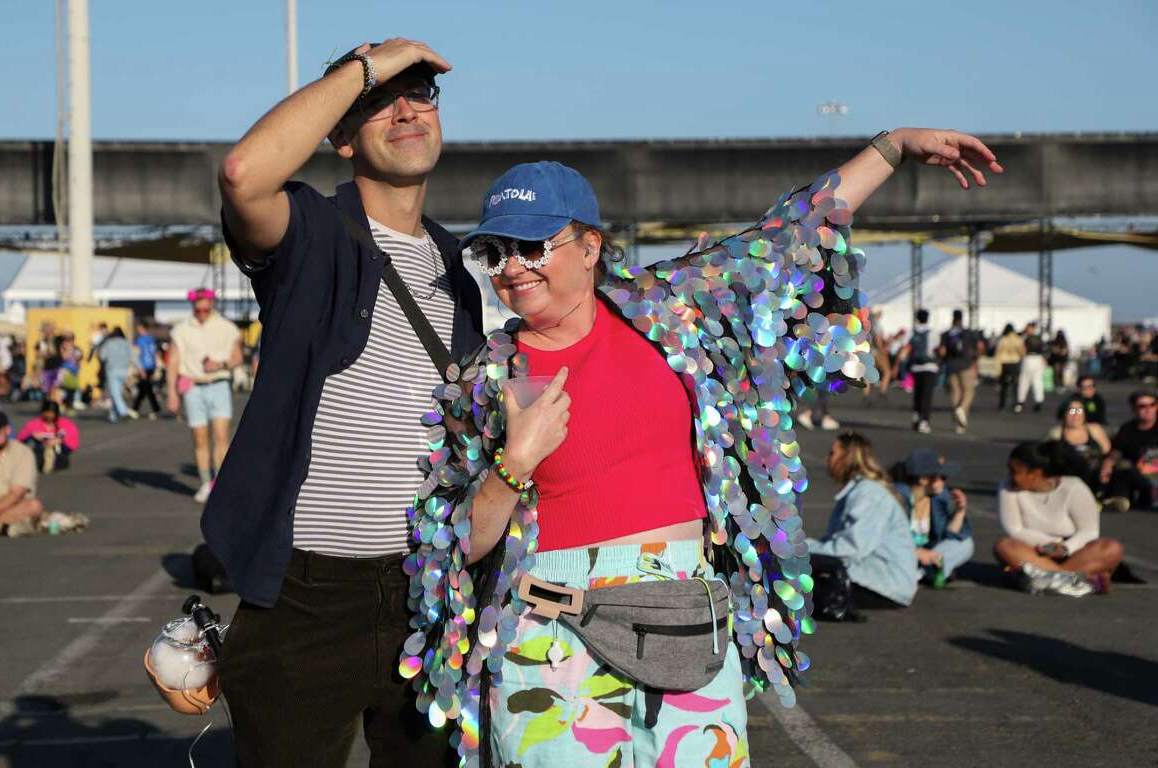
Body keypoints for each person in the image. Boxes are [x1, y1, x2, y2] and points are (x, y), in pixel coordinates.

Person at [401, 125, 1000, 764]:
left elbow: (789, 236)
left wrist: (894, 147)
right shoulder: (483, 380)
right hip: (547, 636)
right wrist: (514, 463)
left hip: (683, 610)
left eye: (532, 245)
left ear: (589, 246)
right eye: (494, 251)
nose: (513, 267)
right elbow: (458, 543)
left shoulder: (672, 313)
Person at [201, 38, 482, 768]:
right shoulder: (312, 233)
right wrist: (365, 66)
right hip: (307, 596)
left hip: (431, 593)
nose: (405, 108)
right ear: (340, 135)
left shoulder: (464, 268)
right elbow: (242, 173)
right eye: (377, 101)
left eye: (420, 92)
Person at [807, 433, 918, 621]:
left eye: (832, 453)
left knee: (793, 577)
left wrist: (801, 549)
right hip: (872, 575)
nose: (827, 458)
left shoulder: (869, 494)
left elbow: (850, 548)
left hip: (886, 586)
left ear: (847, 458)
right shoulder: (859, 491)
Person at [994, 441, 1123, 595]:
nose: (1009, 475)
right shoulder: (1007, 487)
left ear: (1036, 473)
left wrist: (1065, 548)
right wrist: (1050, 544)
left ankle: (1045, 579)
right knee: (1004, 546)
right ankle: (1080, 580)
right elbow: (1015, 530)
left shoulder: (1074, 487)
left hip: (1074, 553)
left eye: (1014, 471)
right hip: (1035, 552)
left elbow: (1089, 531)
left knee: (1112, 548)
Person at [167, 289, 242, 504]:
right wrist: (172, 393)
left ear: (212, 305)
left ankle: (221, 483)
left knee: (221, 436)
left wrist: (221, 364)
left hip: (218, 384)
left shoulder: (227, 328)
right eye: (197, 309)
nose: (201, 313)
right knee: (200, 438)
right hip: (193, 387)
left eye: (206, 309)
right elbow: (173, 362)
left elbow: (237, 357)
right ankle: (205, 483)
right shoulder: (181, 330)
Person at [893, 448, 974, 586]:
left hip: (922, 558)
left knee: (966, 544)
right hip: (898, 555)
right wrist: (915, 551)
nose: (944, 481)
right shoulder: (898, 497)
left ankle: (921, 573)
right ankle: (924, 573)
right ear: (924, 479)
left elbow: (948, 536)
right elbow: (886, 538)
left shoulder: (938, 498)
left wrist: (960, 511)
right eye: (942, 477)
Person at [1098, 388, 1158, 511]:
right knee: (1123, 468)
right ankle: (1119, 500)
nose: (1148, 409)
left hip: (1155, 475)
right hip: (1139, 476)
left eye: (1152, 405)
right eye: (1142, 406)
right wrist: (1108, 463)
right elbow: (1117, 450)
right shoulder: (1127, 429)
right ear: (1134, 409)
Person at [1046, 397, 1114, 504]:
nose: (1075, 415)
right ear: (1064, 413)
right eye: (1071, 411)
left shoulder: (1095, 430)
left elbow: (1109, 453)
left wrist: (1107, 465)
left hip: (1096, 474)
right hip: (1070, 477)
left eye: (1079, 410)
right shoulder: (1056, 433)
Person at [940, 309, 981, 434]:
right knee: (969, 391)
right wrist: (975, 361)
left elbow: (942, 351)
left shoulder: (946, 334)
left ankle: (959, 423)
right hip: (966, 364)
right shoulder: (968, 333)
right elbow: (979, 347)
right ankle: (962, 410)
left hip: (951, 365)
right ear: (962, 318)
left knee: (955, 392)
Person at [900, 309, 940, 433]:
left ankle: (916, 414)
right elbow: (937, 348)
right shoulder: (933, 332)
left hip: (916, 367)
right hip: (930, 367)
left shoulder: (912, 331)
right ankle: (924, 421)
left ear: (917, 318)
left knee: (917, 393)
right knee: (927, 395)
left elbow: (905, 345)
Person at [17, 400, 80, 474]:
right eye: (47, 412)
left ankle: (46, 463)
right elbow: (19, 441)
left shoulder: (66, 425)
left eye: (52, 413)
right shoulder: (33, 424)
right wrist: (31, 436)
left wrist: (60, 441)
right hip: (37, 451)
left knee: (53, 456)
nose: (49, 415)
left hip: (58, 454)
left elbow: (72, 446)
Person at [97, 326, 135, 423]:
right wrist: (140, 368)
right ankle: (113, 416)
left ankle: (123, 412)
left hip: (112, 370)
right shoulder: (126, 343)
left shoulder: (109, 343)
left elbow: (102, 356)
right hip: (124, 370)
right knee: (117, 392)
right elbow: (133, 357)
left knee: (115, 393)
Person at [132, 321, 162, 419]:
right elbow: (156, 353)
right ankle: (136, 409)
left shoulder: (140, 340)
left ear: (142, 328)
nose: (138, 330)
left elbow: (136, 354)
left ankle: (137, 409)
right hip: (151, 366)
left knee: (145, 389)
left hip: (144, 367)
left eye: (139, 328)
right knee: (144, 388)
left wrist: (138, 369)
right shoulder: (152, 339)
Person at [1016, 322, 1046, 413]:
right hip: (1038, 360)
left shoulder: (1025, 338)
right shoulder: (1040, 338)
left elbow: (1022, 351)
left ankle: (1021, 401)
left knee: (1024, 381)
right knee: (1038, 381)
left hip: (1029, 359)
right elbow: (1044, 350)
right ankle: (1038, 401)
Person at [994, 323, 1025, 410]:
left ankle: (1002, 404)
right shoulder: (1018, 339)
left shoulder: (1003, 339)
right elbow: (1022, 351)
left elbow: (998, 352)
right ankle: (1015, 403)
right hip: (1015, 363)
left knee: (1004, 385)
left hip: (1004, 363)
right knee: (1015, 384)